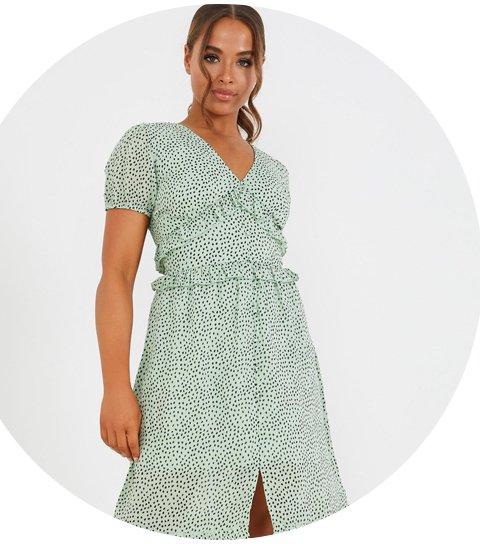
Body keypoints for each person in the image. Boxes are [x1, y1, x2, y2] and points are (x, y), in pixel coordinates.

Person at [95, 4, 348, 540]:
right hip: (189, 360)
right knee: (183, 510)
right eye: (212, 57)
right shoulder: (148, 147)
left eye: (243, 61)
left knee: (277, 507)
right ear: (188, 56)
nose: (227, 76)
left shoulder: (274, 173)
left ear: (259, 70)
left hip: (281, 362)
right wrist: (116, 387)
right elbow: (116, 276)